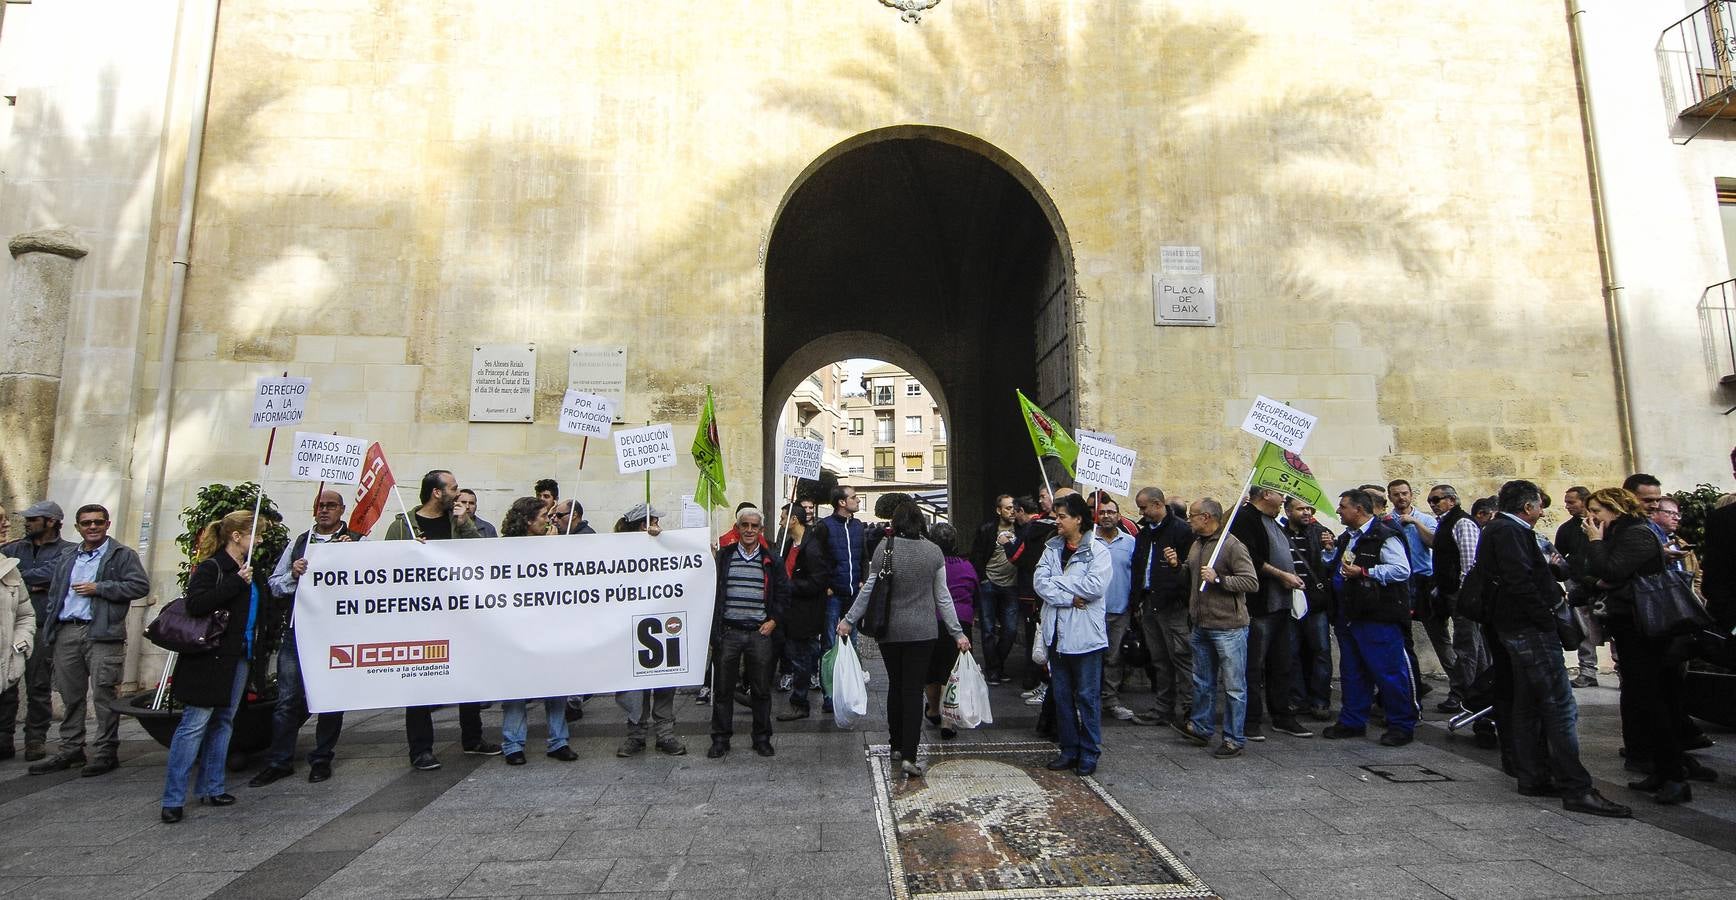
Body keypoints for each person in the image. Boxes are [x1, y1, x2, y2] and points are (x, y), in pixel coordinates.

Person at [1483, 480, 1630, 818]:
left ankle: (1533, 774)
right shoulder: (1509, 531)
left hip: (1518, 626)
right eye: (1539, 506)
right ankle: (1576, 787)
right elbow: (1519, 581)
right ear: (1528, 507)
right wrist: (1547, 616)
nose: (1542, 512)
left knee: (1528, 702)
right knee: (1559, 705)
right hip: (1528, 629)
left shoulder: (1502, 530)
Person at [1575, 487, 1689, 803]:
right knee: (1645, 700)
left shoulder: (1636, 533)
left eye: (1596, 510)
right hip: (1630, 625)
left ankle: (1675, 776)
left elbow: (1609, 570)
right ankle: (1662, 770)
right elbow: (1591, 573)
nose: (1592, 517)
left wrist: (1596, 544)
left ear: (1615, 507)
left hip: (1647, 629)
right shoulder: (1623, 534)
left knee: (1654, 700)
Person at [839, 502, 967, 776]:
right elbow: (942, 596)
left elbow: (869, 589)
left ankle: (895, 744)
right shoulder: (934, 552)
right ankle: (910, 754)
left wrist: (849, 620)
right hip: (923, 631)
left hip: (891, 631)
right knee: (912, 689)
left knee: (896, 685)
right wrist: (957, 632)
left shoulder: (884, 548)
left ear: (894, 522)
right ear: (921, 522)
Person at [384, 470, 499, 770]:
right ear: (437, 492)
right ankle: (421, 749)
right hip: (420, 616)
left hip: (458, 614)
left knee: (469, 677)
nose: (457, 494)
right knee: (420, 682)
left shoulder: (457, 521)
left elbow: (478, 559)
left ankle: (473, 738)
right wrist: (411, 554)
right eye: (453, 489)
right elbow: (386, 568)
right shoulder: (402, 526)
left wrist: (465, 524)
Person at [250, 489, 361, 787]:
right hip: (297, 633)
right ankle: (280, 760)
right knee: (288, 700)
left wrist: (353, 558)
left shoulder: (357, 543)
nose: (324, 510)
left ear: (342, 510)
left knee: (329, 698)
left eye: (330, 506)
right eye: (319, 505)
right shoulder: (300, 543)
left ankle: (322, 758)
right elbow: (275, 585)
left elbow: (371, 585)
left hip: (335, 634)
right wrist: (293, 576)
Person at [29, 504, 149, 777]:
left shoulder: (121, 554)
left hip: (102, 632)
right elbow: (56, 591)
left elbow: (140, 586)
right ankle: (71, 748)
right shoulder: (67, 555)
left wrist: (101, 588)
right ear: (77, 527)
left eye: (97, 522)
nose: (92, 527)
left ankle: (106, 750)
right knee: (70, 695)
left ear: (107, 524)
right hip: (67, 630)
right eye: (86, 523)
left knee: (104, 693)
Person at [160, 511, 262, 823]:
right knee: (194, 724)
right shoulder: (214, 567)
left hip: (238, 655)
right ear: (236, 536)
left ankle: (212, 786)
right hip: (210, 657)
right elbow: (196, 604)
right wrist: (235, 583)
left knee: (224, 721)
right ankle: (173, 798)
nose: (258, 540)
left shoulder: (246, 569)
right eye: (254, 534)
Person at [1321, 489, 1417, 747]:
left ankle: (1401, 724)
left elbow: (1401, 570)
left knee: (1388, 671)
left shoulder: (1384, 535)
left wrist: (1365, 572)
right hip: (1349, 615)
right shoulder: (1347, 538)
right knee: (1353, 671)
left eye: (1343, 506)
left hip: (1378, 616)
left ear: (1359, 510)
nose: (1339, 511)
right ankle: (1352, 720)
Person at [489, 497, 580, 765]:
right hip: (516, 629)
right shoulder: (504, 550)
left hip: (550, 627)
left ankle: (558, 740)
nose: (549, 520)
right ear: (528, 520)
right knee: (516, 689)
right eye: (544, 516)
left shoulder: (554, 546)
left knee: (556, 685)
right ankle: (513, 744)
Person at [1171, 498, 1260, 759]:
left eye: (1193, 515)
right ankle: (1201, 727)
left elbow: (1250, 581)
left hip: (1228, 627)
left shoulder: (1232, 546)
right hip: (1201, 623)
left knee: (1233, 686)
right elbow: (1191, 574)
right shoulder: (1197, 544)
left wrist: (1219, 579)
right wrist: (1179, 566)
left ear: (1207, 517)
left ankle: (1234, 738)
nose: (1189, 520)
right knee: (1202, 682)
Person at [1031, 493, 1111, 773]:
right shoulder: (1051, 548)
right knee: (1062, 697)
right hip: (1057, 635)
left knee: (1087, 697)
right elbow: (1040, 583)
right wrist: (1066, 596)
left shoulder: (1097, 550)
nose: (1057, 521)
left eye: (1062, 516)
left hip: (1085, 637)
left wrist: (1059, 583)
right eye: (1056, 515)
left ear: (1078, 519)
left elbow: (1094, 588)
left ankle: (1089, 751)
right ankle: (1068, 748)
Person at [1230, 487, 1310, 740]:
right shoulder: (1246, 519)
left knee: (1282, 663)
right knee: (1253, 665)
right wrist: (1282, 575)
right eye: (1279, 493)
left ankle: (1282, 716)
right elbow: (1250, 559)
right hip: (1260, 606)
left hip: (1282, 605)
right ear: (1265, 494)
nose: (1284, 499)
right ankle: (1251, 720)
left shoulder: (1273, 521)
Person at [710, 506, 790, 759]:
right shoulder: (724, 556)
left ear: (761, 530)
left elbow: (784, 595)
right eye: (744, 525)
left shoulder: (772, 559)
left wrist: (774, 620)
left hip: (759, 634)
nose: (749, 530)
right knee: (722, 690)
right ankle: (721, 739)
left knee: (761, 690)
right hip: (730, 632)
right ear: (738, 528)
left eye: (754, 526)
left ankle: (762, 738)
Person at [0, 500, 76, 761]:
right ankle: (4, 739)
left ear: (51, 521)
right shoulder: (12, 548)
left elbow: (59, 576)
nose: (27, 522)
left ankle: (35, 740)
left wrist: (21, 577)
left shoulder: (68, 551)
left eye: (33, 519)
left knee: (38, 686)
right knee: (5, 685)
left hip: (43, 626)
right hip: (8, 626)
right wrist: (36, 581)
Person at [614, 503, 685, 757]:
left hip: (661, 626)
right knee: (635, 686)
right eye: (654, 522)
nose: (659, 526)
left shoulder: (663, 546)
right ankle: (636, 735)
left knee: (664, 681)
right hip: (632, 627)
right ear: (643, 525)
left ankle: (666, 735)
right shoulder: (619, 552)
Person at [1129, 487, 1195, 727]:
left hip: (1174, 605)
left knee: (1182, 657)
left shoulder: (1181, 530)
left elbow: (1190, 569)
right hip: (1149, 603)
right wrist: (1136, 600)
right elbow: (1138, 567)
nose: (1141, 512)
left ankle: (1190, 710)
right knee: (1159, 659)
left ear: (1157, 504)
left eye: (1144, 507)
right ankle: (1163, 707)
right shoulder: (1144, 533)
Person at [1427, 484, 1491, 709]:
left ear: (1452, 500)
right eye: (1431, 501)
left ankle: (1462, 693)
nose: (1433, 504)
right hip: (1450, 592)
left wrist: (1465, 594)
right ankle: (1479, 689)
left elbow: (1469, 561)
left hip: (1461, 593)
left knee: (1466, 645)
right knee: (1474, 645)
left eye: (1437, 499)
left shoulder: (1462, 523)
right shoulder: (1445, 523)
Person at [778, 502, 834, 721]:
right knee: (792, 654)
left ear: (794, 520)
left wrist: (790, 586)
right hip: (790, 610)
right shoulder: (789, 544)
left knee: (801, 659)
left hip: (804, 613)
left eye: (783, 517)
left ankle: (800, 702)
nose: (781, 521)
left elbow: (818, 581)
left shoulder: (811, 547)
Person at [922, 522, 976, 740]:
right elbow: (975, 591)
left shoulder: (928, 565)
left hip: (932, 621)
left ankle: (934, 709)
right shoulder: (966, 566)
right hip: (961, 624)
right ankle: (948, 718)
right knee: (952, 672)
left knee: (931, 671)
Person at [1283, 497, 1334, 719]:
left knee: (1321, 652)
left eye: (1308, 508)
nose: (1306, 512)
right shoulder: (1279, 533)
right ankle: (1297, 699)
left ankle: (1320, 701)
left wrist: (1330, 549)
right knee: (1291, 652)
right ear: (1287, 511)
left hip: (1314, 602)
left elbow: (1331, 565)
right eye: (1300, 508)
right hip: (1289, 601)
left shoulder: (1321, 532)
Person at [1091, 498, 1138, 722]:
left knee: (1114, 658)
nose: (1107, 516)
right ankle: (1088, 701)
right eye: (1102, 512)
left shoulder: (1130, 542)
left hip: (1120, 610)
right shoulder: (1088, 541)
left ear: (1119, 516)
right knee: (1090, 658)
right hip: (1091, 610)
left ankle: (1110, 700)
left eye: (1111, 512)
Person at [969, 494, 1021, 685]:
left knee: (1010, 630)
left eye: (1014, 507)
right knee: (988, 629)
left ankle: (996, 665)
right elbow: (977, 554)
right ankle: (993, 670)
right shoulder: (988, 529)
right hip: (989, 583)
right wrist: (982, 578)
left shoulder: (1022, 529)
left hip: (1012, 586)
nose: (1012, 511)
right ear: (999, 510)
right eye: (1007, 508)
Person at [0, 548, 35, 761]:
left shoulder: (8, 568)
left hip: (5, 662)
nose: (4, 527)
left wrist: (19, 646)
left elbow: (26, 615)